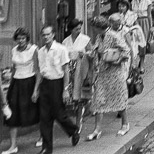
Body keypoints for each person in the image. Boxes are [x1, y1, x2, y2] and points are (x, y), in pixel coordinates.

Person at [31, 25, 81, 153]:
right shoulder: (41, 52)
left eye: (48, 34)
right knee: (45, 117)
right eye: (44, 35)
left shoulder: (61, 49)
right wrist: (36, 89)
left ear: (53, 35)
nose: (46, 37)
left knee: (59, 115)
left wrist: (65, 89)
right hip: (45, 85)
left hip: (57, 84)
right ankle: (47, 148)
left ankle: (73, 130)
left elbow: (66, 70)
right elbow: (40, 73)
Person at [85, 15, 131, 139]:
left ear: (99, 27)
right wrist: (91, 54)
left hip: (115, 73)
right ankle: (97, 129)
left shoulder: (114, 36)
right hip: (103, 73)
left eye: (94, 27)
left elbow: (126, 51)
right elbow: (97, 50)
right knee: (98, 99)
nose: (93, 30)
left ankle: (125, 124)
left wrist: (117, 60)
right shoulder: (99, 37)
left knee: (118, 98)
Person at [1, 27, 39, 154]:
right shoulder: (13, 50)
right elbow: (14, 69)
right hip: (16, 83)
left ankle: (43, 137)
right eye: (18, 38)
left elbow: (38, 71)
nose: (21, 41)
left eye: (23, 38)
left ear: (27, 39)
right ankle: (13, 146)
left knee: (36, 111)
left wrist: (35, 90)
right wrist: (10, 85)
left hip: (29, 82)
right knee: (12, 114)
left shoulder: (34, 49)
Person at [62, 19, 91, 132]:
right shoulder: (65, 41)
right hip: (69, 71)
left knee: (80, 98)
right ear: (71, 29)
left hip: (80, 70)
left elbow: (92, 53)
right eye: (76, 29)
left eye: (80, 28)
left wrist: (85, 54)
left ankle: (79, 122)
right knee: (70, 98)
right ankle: (72, 120)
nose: (78, 31)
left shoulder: (85, 39)